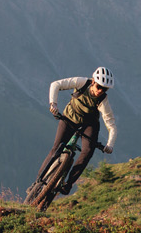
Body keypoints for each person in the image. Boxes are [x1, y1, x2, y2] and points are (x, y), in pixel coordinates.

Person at [34, 66, 118, 198]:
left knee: (87, 152)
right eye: (99, 87)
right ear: (93, 82)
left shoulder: (103, 100)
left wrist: (110, 145)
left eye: (105, 89)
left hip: (89, 124)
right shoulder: (82, 83)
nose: (101, 91)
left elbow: (111, 125)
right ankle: (38, 182)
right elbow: (56, 84)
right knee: (56, 148)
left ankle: (68, 184)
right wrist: (53, 104)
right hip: (70, 117)